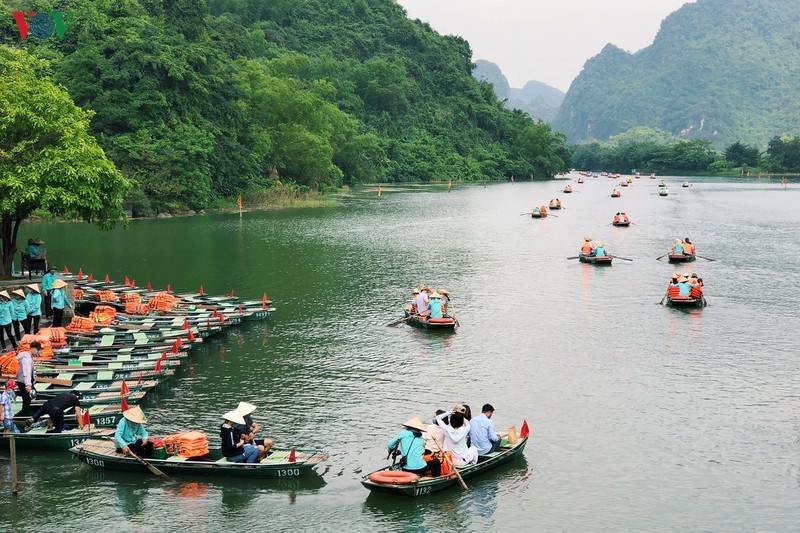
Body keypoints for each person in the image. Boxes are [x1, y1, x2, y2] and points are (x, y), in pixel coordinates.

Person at [15, 341, 38, 415]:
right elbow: (26, 371)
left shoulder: (28, 356)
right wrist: (28, 385)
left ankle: (16, 393)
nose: (38, 352)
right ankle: (23, 414)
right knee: (27, 399)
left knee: (33, 393)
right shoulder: (26, 358)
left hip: (24, 380)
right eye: (38, 350)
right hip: (24, 381)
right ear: (33, 348)